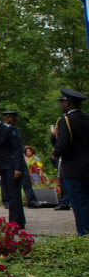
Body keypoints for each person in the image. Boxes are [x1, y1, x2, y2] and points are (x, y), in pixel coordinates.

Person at [52, 88, 89, 235]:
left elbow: (63, 144)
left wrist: (55, 153)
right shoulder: (87, 119)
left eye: (62, 101)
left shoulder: (65, 120)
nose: (61, 104)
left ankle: (84, 236)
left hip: (74, 169)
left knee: (79, 205)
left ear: (67, 102)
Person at [0, 109, 26, 229]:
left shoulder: (9, 129)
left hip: (12, 165)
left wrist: (18, 167)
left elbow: (17, 149)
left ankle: (14, 223)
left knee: (13, 195)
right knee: (8, 194)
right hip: (2, 165)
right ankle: (19, 221)